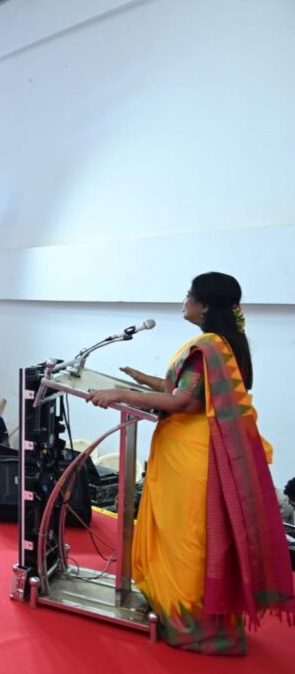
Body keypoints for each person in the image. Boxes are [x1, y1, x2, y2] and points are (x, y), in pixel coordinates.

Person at [88, 272, 294, 654]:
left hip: (192, 457)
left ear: (204, 306)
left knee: (187, 540)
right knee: (189, 537)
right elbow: (189, 391)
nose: (184, 301)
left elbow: (184, 402)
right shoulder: (227, 344)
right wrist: (144, 380)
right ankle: (188, 615)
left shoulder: (208, 346)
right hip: (193, 452)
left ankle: (192, 625)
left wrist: (121, 394)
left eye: (189, 295)